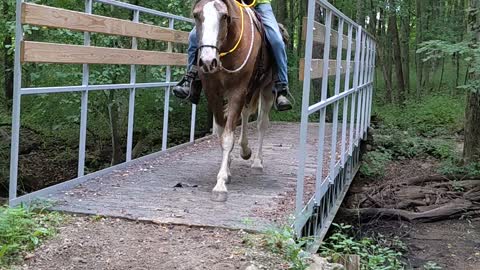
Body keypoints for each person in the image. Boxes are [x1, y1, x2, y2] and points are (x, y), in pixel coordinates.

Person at [173, 0, 292, 111]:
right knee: (193, 36)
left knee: (276, 40)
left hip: (259, 4)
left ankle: (281, 86)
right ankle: (191, 79)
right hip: (230, 3)